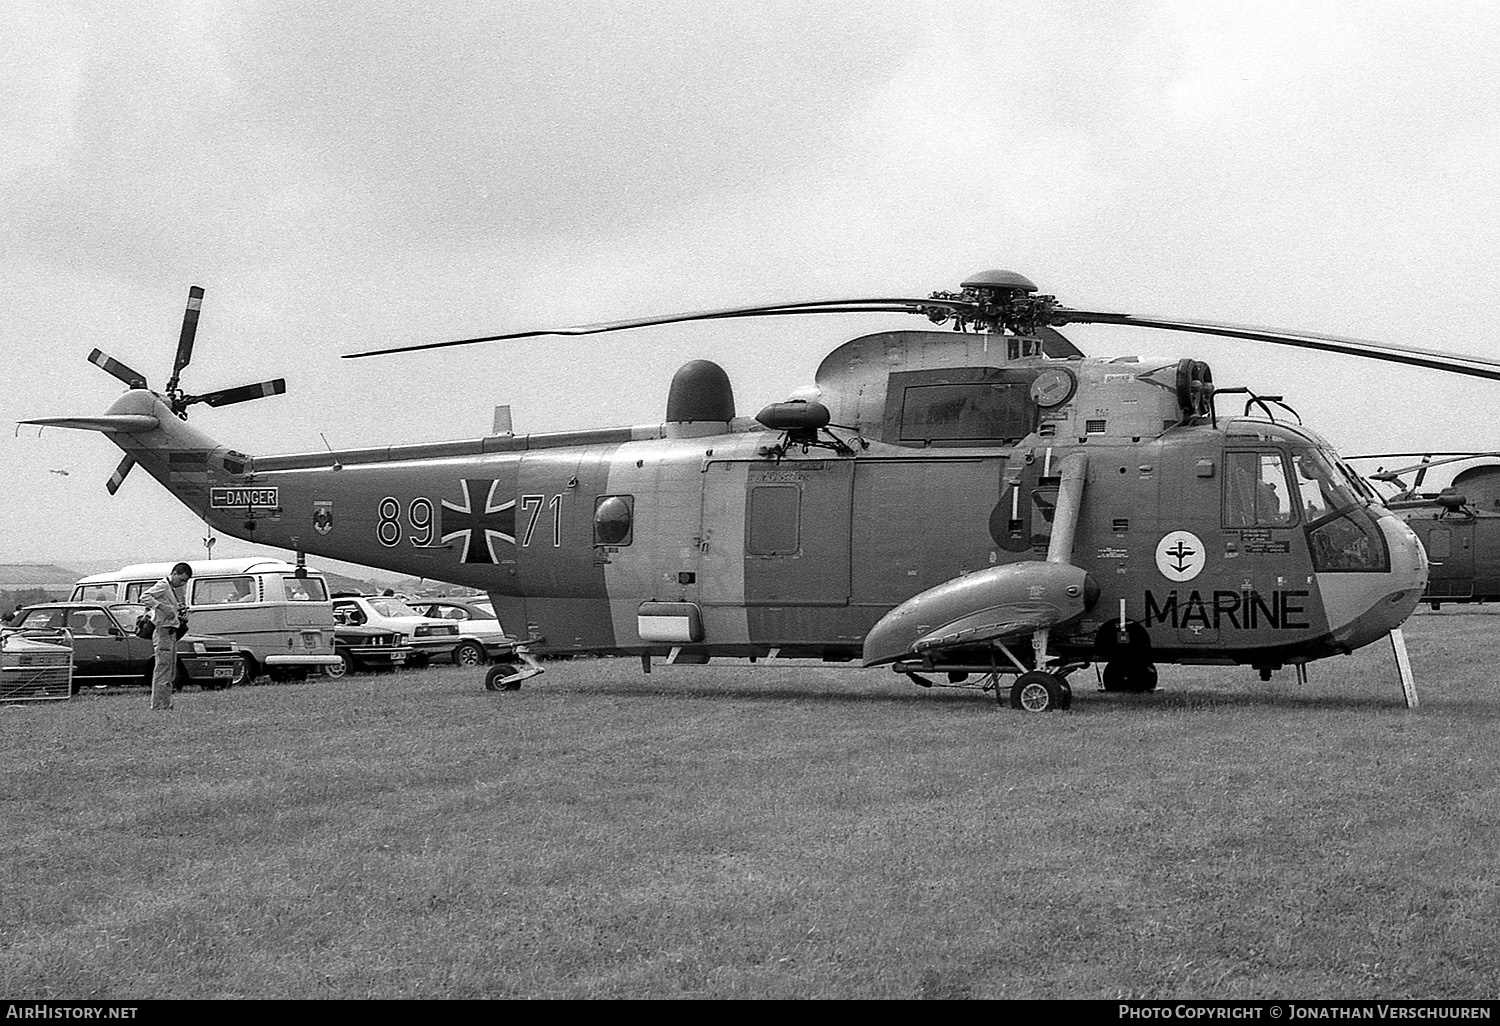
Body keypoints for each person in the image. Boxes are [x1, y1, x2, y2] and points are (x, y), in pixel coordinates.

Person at [142, 562, 192, 711]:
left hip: (172, 631)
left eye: (185, 581)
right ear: (174, 573)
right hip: (162, 631)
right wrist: (161, 607)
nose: (182, 583)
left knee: (170, 671)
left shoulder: (174, 590)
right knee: (162, 670)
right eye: (181, 580)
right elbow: (145, 596)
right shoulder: (163, 585)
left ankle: (166, 702)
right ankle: (158, 705)